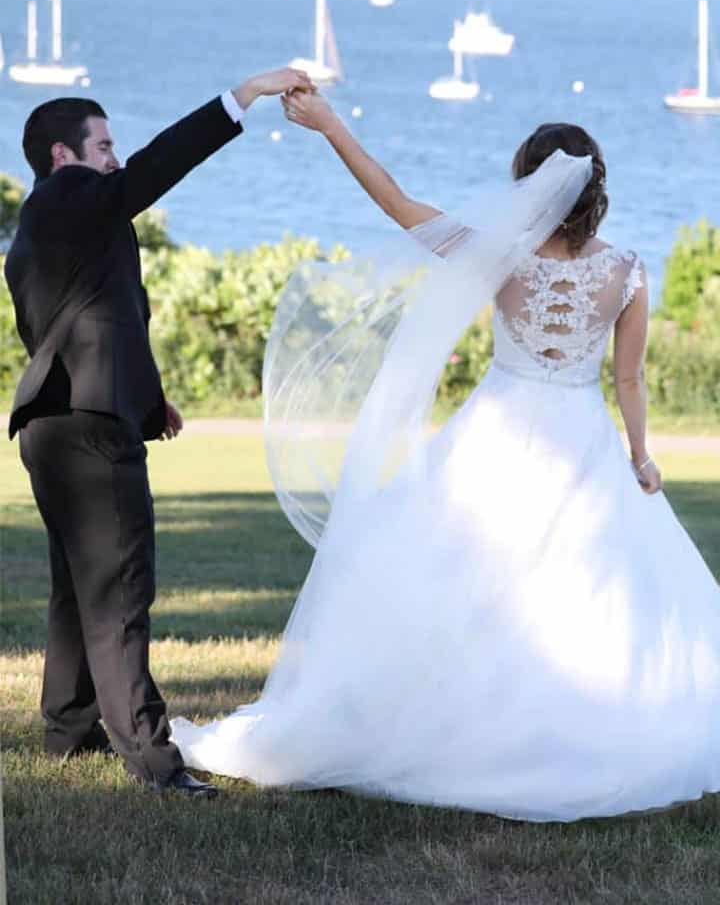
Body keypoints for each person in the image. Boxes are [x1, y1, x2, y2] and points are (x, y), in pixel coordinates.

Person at [171, 95, 720, 822]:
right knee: (580, 595)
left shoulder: (498, 252)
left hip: (498, 431)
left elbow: (398, 205)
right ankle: (556, 730)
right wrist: (642, 458)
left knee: (468, 584)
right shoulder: (628, 270)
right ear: (595, 191)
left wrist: (334, 125)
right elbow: (628, 379)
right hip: (580, 437)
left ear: (528, 184)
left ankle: (459, 728)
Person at [4, 68, 313, 796]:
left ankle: (69, 729)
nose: (116, 155)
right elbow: (154, 168)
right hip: (87, 438)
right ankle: (151, 757)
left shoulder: (43, 228)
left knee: (75, 591)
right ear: (63, 155)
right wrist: (242, 96)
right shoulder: (76, 196)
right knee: (120, 593)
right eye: (104, 143)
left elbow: (86, 325)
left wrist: (150, 402)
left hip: (53, 427)